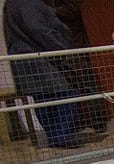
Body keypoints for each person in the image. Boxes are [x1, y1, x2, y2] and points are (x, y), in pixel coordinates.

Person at [3, 0, 83, 148]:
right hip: (40, 60)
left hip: (27, 61)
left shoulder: (12, 5)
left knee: (43, 99)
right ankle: (61, 136)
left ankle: (56, 136)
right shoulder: (27, 4)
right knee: (66, 94)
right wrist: (61, 47)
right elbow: (38, 30)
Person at [51, 0, 108, 134]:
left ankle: (97, 121)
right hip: (67, 46)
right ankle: (79, 122)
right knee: (73, 86)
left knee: (87, 85)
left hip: (74, 46)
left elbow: (72, 10)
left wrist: (49, 12)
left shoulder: (58, 9)